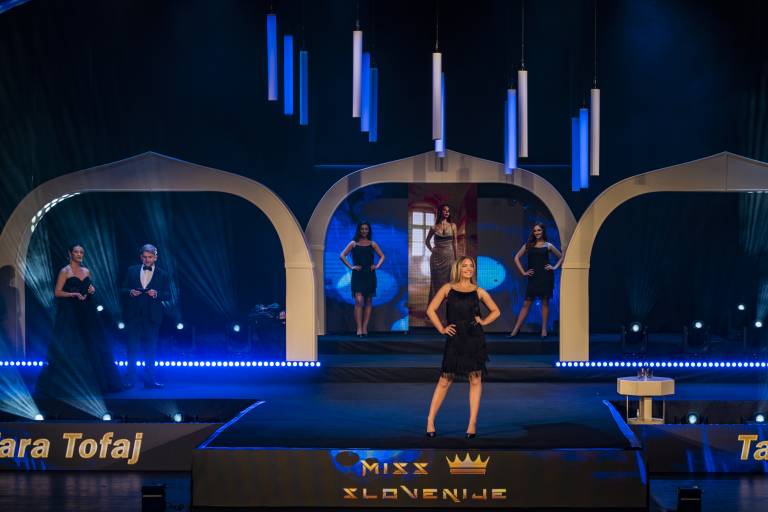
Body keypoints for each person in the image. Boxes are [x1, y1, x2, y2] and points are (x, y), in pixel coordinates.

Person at [424, 256, 500, 439]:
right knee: (444, 380)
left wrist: (483, 321)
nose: (468, 268)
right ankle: (430, 420)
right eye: (465, 265)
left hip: (474, 339)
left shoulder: (479, 291)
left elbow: (496, 311)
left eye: (471, 266)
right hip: (455, 339)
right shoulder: (447, 288)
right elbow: (430, 310)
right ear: (458, 268)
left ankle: (472, 423)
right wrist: (442, 328)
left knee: (475, 380)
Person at [37, 244, 124, 398]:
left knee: (93, 343)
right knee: (72, 345)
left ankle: (97, 382)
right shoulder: (65, 271)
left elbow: (89, 288)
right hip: (71, 312)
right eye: (76, 252)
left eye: (81, 252)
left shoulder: (86, 271)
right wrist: (73, 294)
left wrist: (91, 290)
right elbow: (57, 292)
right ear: (70, 253)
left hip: (88, 311)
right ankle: (70, 383)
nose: (79, 254)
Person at [121, 244, 170, 388]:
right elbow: (123, 289)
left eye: (150, 257)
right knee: (132, 348)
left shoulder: (163, 274)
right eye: (145, 257)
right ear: (140, 257)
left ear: (155, 257)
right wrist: (130, 292)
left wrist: (157, 294)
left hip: (152, 316)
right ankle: (129, 379)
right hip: (134, 315)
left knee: (151, 349)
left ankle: (149, 380)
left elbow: (168, 294)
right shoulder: (131, 270)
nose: (147, 260)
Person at [509, 223, 564, 338]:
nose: (537, 232)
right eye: (535, 231)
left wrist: (554, 267)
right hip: (533, 278)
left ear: (543, 231)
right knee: (526, 304)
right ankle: (515, 330)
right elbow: (516, 258)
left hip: (546, 277)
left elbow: (561, 257)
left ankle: (544, 330)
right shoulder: (528, 245)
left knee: (545, 303)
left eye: (539, 230)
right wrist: (523, 272)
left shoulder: (548, 245)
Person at [340, 222, 385, 336]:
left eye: (366, 229)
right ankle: (359, 328)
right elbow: (342, 255)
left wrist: (377, 266)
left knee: (369, 301)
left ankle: (365, 327)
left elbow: (382, 256)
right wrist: (351, 267)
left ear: (369, 230)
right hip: (358, 275)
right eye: (362, 229)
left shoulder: (372, 244)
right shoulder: (353, 243)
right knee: (359, 301)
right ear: (359, 230)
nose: (364, 231)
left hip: (369, 275)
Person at [425, 205, 458, 310]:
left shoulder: (453, 226)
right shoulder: (434, 227)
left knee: (450, 282)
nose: (447, 212)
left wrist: (456, 260)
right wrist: (432, 250)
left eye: (448, 211)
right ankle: (435, 309)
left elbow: (455, 243)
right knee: (436, 284)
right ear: (440, 212)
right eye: (445, 210)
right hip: (436, 259)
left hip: (449, 258)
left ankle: (448, 309)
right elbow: (427, 241)